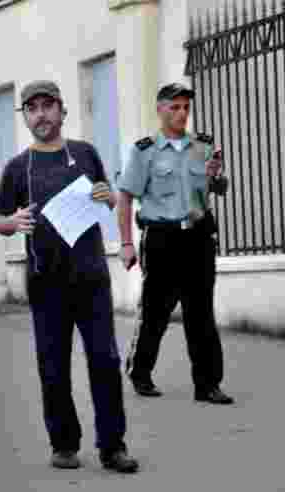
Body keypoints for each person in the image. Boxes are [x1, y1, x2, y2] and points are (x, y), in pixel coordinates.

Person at [0, 80, 138, 473]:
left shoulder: (85, 154)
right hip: (45, 281)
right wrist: (13, 221)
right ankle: (64, 445)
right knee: (53, 366)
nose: (41, 114)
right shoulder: (17, 168)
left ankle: (113, 446)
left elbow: (104, 195)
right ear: (25, 116)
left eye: (48, 106)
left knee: (105, 361)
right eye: (33, 108)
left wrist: (106, 196)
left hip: (91, 277)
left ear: (62, 111)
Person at [118, 83, 233, 405]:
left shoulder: (203, 147)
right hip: (161, 239)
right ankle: (140, 372)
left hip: (197, 238)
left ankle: (208, 384)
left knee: (201, 313)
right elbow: (125, 198)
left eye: (185, 107)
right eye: (175, 107)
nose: (182, 113)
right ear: (160, 109)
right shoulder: (145, 151)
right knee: (156, 312)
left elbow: (216, 189)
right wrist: (126, 244)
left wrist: (216, 176)